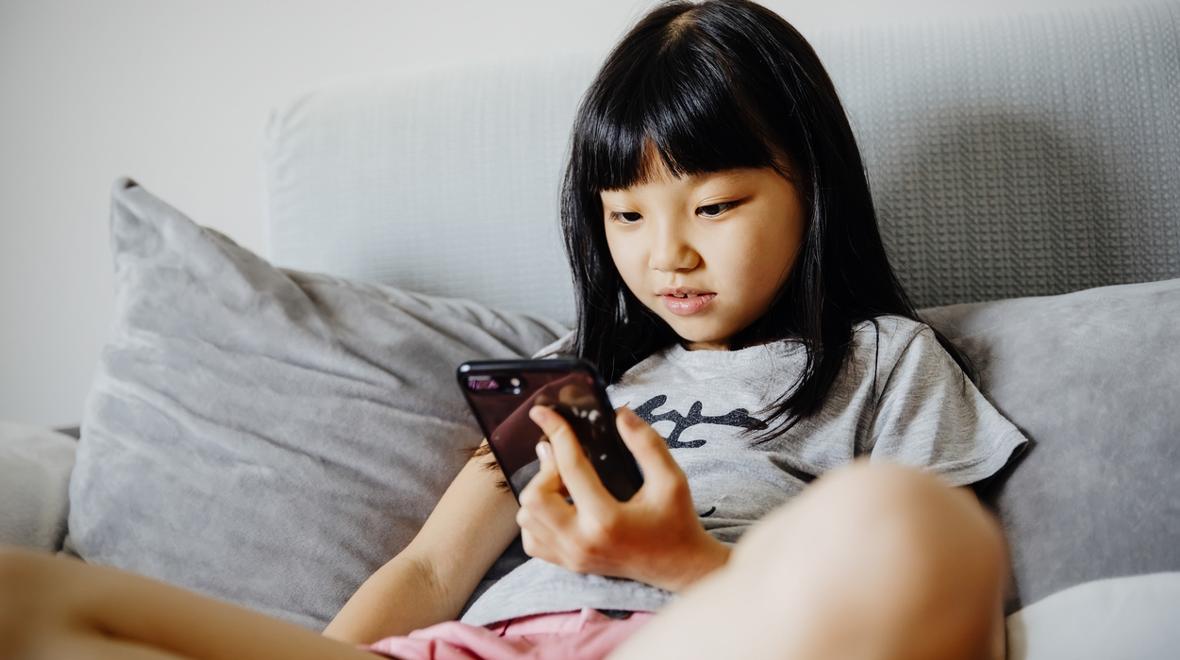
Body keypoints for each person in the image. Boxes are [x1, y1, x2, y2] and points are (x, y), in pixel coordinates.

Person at [0, 1, 1029, 658]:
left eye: (712, 207)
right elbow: (430, 575)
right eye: (625, 216)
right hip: (472, 646)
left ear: (814, 193)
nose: (665, 254)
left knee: (910, 525)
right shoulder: (563, 384)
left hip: (691, 639)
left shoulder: (881, 363)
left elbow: (947, 619)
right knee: (21, 592)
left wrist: (679, 563)